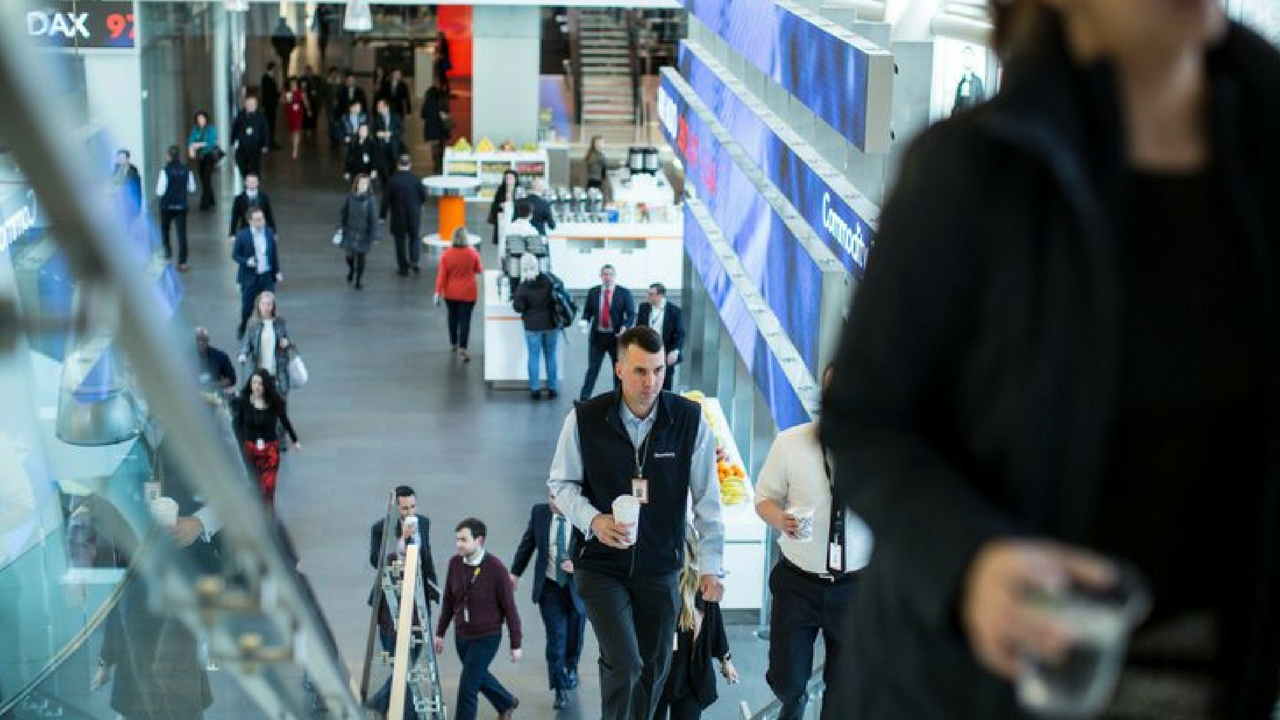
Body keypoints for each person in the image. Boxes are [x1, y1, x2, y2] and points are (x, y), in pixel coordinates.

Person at [818, 2, 1280, 719]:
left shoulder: (1262, 163)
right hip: (974, 688)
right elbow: (864, 418)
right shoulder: (970, 173)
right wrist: (969, 559)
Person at [548, 326, 725, 720]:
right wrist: (593, 520)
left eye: (659, 370)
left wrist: (711, 567)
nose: (651, 382)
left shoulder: (688, 420)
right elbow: (560, 485)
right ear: (618, 369)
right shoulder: (584, 419)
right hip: (600, 565)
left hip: (661, 567)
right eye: (641, 371)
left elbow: (708, 504)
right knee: (626, 663)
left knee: (655, 666)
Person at [755, 366, 872, 720]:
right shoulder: (790, 443)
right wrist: (781, 519)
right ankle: (793, 704)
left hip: (854, 587)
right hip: (798, 582)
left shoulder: (879, 453)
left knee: (844, 688)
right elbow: (764, 500)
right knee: (788, 681)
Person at [434, 518, 522, 720]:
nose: (458, 544)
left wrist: (515, 643)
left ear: (479, 540)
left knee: (467, 687)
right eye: (457, 539)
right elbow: (448, 600)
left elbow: (510, 609)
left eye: (464, 540)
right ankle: (506, 702)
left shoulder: (496, 569)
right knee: (477, 676)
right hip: (462, 635)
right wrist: (440, 633)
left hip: (487, 637)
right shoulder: (454, 563)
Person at [367, 485, 440, 716]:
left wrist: (434, 587)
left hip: (418, 597)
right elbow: (374, 560)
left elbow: (427, 557)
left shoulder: (424, 522)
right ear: (397, 507)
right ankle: (407, 713)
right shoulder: (382, 528)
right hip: (392, 600)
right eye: (405, 508)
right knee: (399, 662)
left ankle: (380, 702)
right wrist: (400, 541)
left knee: (412, 656)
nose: (409, 512)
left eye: (413, 507)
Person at [510, 493, 586, 710]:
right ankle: (559, 688)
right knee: (555, 639)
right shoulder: (540, 513)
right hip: (550, 587)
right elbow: (528, 543)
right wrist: (515, 572)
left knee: (575, 634)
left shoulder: (583, 515)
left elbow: (598, 548)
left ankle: (572, 666)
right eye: (550, 496)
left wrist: (578, 565)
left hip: (577, 587)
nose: (552, 502)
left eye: (558, 498)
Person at [655, 528, 737, 720]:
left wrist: (726, 660)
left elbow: (715, 623)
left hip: (689, 676)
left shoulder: (702, 587)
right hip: (657, 673)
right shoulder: (653, 585)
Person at [232, 369, 299, 506]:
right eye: (254, 383)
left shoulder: (274, 403)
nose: (256, 386)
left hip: (270, 450)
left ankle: (268, 515)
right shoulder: (243, 402)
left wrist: (295, 440)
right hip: (251, 449)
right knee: (256, 485)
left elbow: (284, 420)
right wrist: (241, 444)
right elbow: (236, 424)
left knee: (268, 486)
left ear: (265, 386)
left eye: (260, 383)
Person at [577, 265, 634, 401]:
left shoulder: (624, 293)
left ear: (614, 276)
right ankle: (584, 399)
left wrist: (625, 327)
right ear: (601, 276)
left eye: (610, 274)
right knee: (593, 369)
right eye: (604, 274)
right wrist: (584, 321)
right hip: (598, 337)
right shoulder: (593, 292)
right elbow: (587, 312)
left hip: (616, 338)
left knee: (618, 370)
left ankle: (619, 399)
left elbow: (631, 314)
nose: (607, 277)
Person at [512, 254, 558, 400]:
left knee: (533, 357)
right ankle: (552, 388)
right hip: (551, 324)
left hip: (532, 326)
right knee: (551, 355)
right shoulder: (548, 280)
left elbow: (518, 307)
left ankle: (535, 389)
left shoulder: (523, 286)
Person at [231, 207, 282, 338]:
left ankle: (270, 329)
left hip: (266, 276)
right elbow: (235, 255)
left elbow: (273, 254)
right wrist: (247, 261)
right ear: (250, 221)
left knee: (269, 305)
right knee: (247, 307)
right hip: (249, 277)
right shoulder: (242, 235)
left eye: (262, 219)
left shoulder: (269, 233)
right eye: (258, 220)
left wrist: (277, 271)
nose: (261, 222)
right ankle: (243, 326)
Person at [435, 227, 484, 361]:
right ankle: (463, 348)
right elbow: (479, 269)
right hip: (468, 293)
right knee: (465, 321)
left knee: (452, 318)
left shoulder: (446, 254)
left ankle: (453, 343)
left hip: (450, 293)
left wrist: (437, 292)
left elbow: (442, 275)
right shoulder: (472, 253)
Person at [237, 289, 294, 395]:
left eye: (269, 304)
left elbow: (286, 339)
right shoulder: (253, 323)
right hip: (260, 370)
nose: (266, 307)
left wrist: (286, 343)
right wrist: (243, 354)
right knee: (261, 403)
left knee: (279, 402)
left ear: (273, 306)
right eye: (263, 304)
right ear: (258, 305)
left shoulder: (279, 321)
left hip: (278, 370)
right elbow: (247, 344)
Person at [381, 154, 427, 276]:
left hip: (398, 216)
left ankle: (403, 267)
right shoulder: (416, 180)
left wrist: (382, 215)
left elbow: (386, 200)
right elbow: (423, 197)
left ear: (398, 165)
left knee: (400, 241)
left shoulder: (392, 180)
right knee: (414, 238)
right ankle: (414, 262)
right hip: (413, 215)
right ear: (410, 165)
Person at [636, 283, 684, 392]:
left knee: (665, 381)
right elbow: (638, 329)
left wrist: (675, 351)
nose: (648, 296)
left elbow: (680, 333)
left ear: (660, 295)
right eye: (648, 293)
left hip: (665, 351)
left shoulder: (674, 311)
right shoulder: (643, 308)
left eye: (651, 294)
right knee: (645, 378)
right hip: (646, 350)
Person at [155, 145, 196, 270]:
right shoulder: (186, 170)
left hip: (166, 206)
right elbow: (192, 188)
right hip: (181, 206)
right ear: (179, 156)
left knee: (165, 231)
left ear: (168, 156)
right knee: (182, 234)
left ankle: (167, 254)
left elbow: (160, 191)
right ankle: (182, 262)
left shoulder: (164, 170)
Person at [337, 174, 379, 290]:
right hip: (350, 231)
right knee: (349, 256)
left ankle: (358, 280)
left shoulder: (371, 200)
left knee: (361, 258)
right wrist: (341, 226)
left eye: (366, 184)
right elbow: (343, 212)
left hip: (363, 233)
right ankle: (351, 269)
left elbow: (374, 218)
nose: (363, 186)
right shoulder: (350, 197)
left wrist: (374, 235)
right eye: (361, 183)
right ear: (356, 184)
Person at [227, 173, 276, 240]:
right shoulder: (239, 199)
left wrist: (274, 232)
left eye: (254, 182)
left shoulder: (264, 198)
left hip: (261, 230)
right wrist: (232, 233)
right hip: (245, 229)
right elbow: (235, 217)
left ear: (258, 183)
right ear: (246, 183)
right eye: (250, 182)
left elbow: (269, 215)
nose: (252, 184)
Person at [230, 96, 269, 178]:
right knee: (241, 163)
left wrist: (265, 145)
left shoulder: (261, 116)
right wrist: (232, 142)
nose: (251, 106)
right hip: (242, 146)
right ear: (245, 105)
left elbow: (265, 131)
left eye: (253, 104)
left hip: (255, 146)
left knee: (255, 167)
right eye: (249, 104)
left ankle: (254, 183)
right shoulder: (240, 115)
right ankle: (247, 179)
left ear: (256, 105)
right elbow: (235, 129)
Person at [187, 111, 218, 211]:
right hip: (200, 157)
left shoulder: (211, 129)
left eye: (202, 118)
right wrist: (193, 146)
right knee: (203, 178)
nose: (200, 121)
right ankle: (211, 199)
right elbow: (190, 140)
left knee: (206, 177)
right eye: (198, 119)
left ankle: (205, 202)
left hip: (209, 156)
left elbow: (211, 142)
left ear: (206, 119)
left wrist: (199, 145)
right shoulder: (195, 129)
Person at [195, 326, 236, 394]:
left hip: (214, 394)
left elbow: (232, 378)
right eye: (197, 339)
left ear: (208, 340)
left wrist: (215, 385)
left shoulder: (220, 356)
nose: (200, 343)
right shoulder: (185, 356)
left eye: (203, 340)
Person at [420, 81, 449, 174]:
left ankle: (436, 164)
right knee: (442, 146)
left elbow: (423, 115)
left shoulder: (427, 103)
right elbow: (447, 113)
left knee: (434, 147)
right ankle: (441, 162)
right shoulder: (442, 102)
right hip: (442, 128)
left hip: (431, 129)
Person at [487, 169, 519, 247]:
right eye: (506, 178)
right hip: (502, 220)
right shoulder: (501, 190)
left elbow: (523, 205)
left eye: (510, 178)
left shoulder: (519, 190)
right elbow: (494, 205)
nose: (508, 180)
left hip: (515, 220)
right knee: (502, 243)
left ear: (515, 179)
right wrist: (501, 205)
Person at [372, 98, 403, 172]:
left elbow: (401, 129)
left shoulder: (395, 116)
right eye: (377, 106)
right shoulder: (376, 118)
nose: (377, 108)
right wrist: (377, 134)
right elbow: (373, 131)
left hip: (393, 145)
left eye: (380, 106)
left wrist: (391, 133)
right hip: (381, 146)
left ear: (386, 106)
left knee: (393, 167)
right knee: (382, 167)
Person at [111, 149, 142, 222]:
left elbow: (137, 190)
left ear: (127, 159)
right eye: (119, 158)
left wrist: (138, 207)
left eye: (122, 158)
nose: (120, 160)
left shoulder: (133, 171)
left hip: (128, 205)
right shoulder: (115, 169)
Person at [283, 77, 309, 160]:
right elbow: (283, 101)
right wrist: (286, 99)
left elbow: (305, 101)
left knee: (297, 130)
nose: (293, 85)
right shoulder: (287, 92)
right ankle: (294, 145)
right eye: (291, 83)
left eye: (294, 83)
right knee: (291, 131)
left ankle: (295, 149)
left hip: (298, 113)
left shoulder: (301, 92)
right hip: (289, 112)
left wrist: (308, 109)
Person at [260, 62, 282, 150]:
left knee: (272, 124)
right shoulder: (266, 78)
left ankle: (271, 141)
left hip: (272, 105)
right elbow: (269, 92)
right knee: (269, 124)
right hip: (269, 105)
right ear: (272, 68)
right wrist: (277, 94)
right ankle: (268, 142)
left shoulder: (271, 78)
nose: (275, 71)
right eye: (274, 69)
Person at [301, 65, 322, 139]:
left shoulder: (317, 79)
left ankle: (313, 128)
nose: (309, 72)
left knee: (315, 114)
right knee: (307, 114)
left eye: (310, 71)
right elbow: (302, 89)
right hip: (306, 99)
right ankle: (307, 129)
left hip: (315, 100)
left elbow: (320, 87)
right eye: (307, 71)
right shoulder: (302, 79)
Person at [435, 31, 452, 95]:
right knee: (442, 75)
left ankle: (444, 88)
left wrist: (439, 56)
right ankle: (445, 88)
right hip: (442, 60)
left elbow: (444, 52)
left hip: (443, 61)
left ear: (442, 35)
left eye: (439, 35)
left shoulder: (444, 42)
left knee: (442, 75)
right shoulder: (442, 42)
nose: (438, 37)